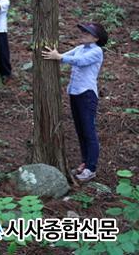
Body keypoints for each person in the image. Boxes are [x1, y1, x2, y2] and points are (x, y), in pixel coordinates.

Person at [42, 22, 108, 182]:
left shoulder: (97, 51)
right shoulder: (80, 48)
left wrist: (59, 57)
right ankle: (85, 163)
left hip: (87, 95)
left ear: (96, 38)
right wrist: (56, 55)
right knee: (80, 130)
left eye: (87, 33)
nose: (83, 34)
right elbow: (63, 57)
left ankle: (91, 168)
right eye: (83, 31)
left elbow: (79, 61)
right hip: (75, 93)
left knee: (88, 131)